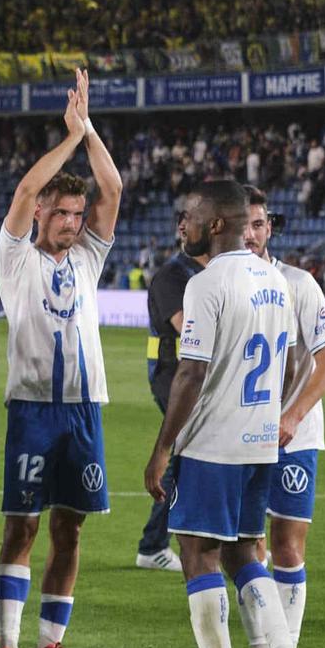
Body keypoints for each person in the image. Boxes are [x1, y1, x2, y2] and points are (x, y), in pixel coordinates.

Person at [143, 179, 309, 648]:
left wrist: (162, 448)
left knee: (197, 552)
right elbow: (289, 366)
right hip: (260, 443)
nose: (183, 225)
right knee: (245, 551)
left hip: (212, 443)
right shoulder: (274, 279)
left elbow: (190, 372)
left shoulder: (208, 283)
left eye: (190, 215)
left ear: (216, 223)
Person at [0, 71, 122, 648]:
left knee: (70, 527)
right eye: (61, 212)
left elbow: (112, 187)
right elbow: (27, 185)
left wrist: (88, 131)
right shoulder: (16, 257)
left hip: (84, 407)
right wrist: (66, 139)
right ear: (41, 213)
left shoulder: (88, 256)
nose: (72, 221)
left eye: (76, 213)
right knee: (23, 524)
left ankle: (48, 645)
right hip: (34, 408)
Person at [243, 187, 325, 648]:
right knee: (245, 546)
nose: (252, 234)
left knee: (287, 544)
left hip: (295, 435)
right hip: (241, 436)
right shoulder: (225, 284)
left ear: (270, 227)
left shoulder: (300, 284)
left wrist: (291, 417)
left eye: (259, 224)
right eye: (244, 226)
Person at [138, 207, 205, 572]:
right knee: (183, 458)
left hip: (194, 379)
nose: (183, 224)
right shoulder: (173, 276)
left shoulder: (204, 272)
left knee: (188, 458)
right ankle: (153, 544)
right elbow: (190, 329)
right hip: (173, 379)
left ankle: (157, 542)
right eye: (180, 218)